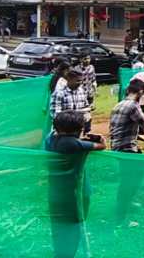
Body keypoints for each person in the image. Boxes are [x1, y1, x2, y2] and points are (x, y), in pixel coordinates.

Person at [45, 110, 104, 258]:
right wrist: (99, 139)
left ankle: (61, 253)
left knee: (58, 228)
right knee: (75, 226)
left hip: (55, 192)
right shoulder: (73, 144)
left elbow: (69, 141)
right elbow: (101, 146)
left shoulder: (50, 139)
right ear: (78, 130)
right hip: (75, 194)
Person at [108, 79, 144, 223]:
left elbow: (120, 128)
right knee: (128, 181)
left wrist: (138, 137)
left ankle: (128, 203)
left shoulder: (118, 105)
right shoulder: (133, 106)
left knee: (138, 171)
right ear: (140, 92)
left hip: (118, 146)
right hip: (126, 149)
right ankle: (121, 215)